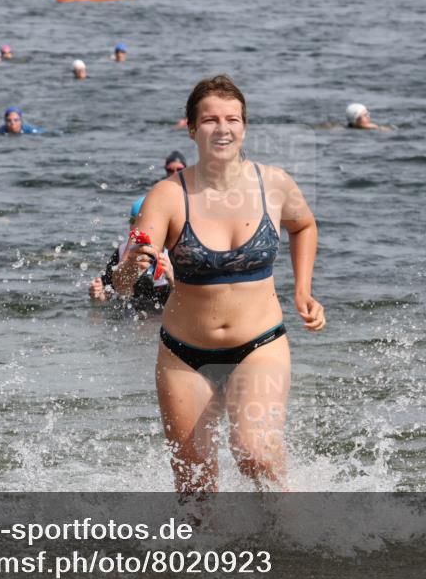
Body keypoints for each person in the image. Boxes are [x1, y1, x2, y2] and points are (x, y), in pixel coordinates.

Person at [114, 75, 325, 493]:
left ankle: (285, 530)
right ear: (192, 129)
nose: (223, 128)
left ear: (244, 126)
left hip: (259, 344)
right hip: (184, 354)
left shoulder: (274, 183)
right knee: (195, 487)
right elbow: (123, 283)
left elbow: (303, 226)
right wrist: (129, 268)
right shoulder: (167, 196)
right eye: (210, 120)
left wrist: (303, 289)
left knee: (256, 454)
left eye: (233, 119)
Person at [90, 196, 173, 309]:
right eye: (132, 221)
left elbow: (187, 298)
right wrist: (98, 294)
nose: (137, 228)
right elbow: (108, 294)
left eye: (144, 223)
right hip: (131, 313)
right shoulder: (122, 252)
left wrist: (172, 279)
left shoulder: (174, 253)